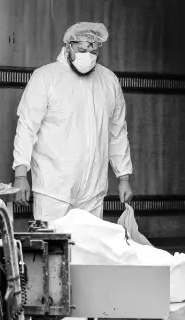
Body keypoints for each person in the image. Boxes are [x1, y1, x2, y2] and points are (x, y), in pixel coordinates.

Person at [12, 21, 134, 222]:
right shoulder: (46, 77)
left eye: (94, 52)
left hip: (93, 190)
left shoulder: (108, 81)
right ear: (69, 46)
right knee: (53, 249)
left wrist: (124, 177)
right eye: (82, 50)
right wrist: (20, 175)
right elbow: (27, 128)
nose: (89, 56)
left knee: (88, 250)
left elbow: (117, 132)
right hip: (53, 190)